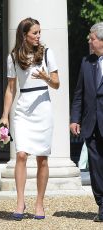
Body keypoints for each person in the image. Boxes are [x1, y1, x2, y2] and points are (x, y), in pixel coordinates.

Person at [0, 17, 59, 220]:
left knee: (42, 158)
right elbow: (10, 89)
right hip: (23, 109)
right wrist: (4, 115)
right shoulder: (13, 57)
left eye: (39, 32)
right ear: (24, 35)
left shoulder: (47, 53)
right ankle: (20, 201)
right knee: (21, 155)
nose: (38, 36)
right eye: (35, 33)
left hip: (42, 106)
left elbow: (57, 84)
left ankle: (39, 203)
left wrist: (46, 78)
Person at [70, 22, 103, 222]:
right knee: (96, 168)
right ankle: (101, 206)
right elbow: (79, 94)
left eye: (92, 38)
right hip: (91, 124)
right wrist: (75, 119)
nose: (89, 42)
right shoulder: (86, 62)